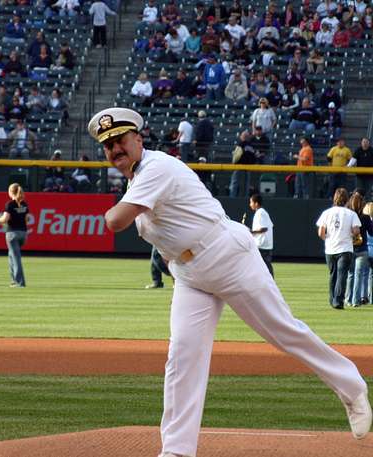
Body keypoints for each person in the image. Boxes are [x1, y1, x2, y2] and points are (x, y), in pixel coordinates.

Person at [87, 107, 371, 457]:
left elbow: (115, 221)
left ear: (139, 139)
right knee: (182, 356)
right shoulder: (138, 179)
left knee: (283, 331)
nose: (115, 148)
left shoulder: (155, 166)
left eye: (120, 140)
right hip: (190, 274)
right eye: (108, 145)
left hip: (227, 255)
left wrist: (110, 213)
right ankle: (176, 450)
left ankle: (352, 387)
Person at [317, 188, 361, 310]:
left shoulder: (326, 213)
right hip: (345, 248)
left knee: (333, 274)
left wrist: (326, 239)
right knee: (342, 275)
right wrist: (353, 235)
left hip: (330, 248)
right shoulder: (351, 214)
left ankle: (332, 299)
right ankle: (338, 300)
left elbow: (321, 232)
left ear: (335, 198)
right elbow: (356, 230)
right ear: (347, 199)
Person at [0, 183, 29, 287]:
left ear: (10, 192)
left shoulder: (10, 204)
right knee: (11, 256)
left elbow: (5, 219)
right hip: (23, 233)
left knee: (16, 257)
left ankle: (19, 282)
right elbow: (27, 220)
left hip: (12, 233)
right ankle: (14, 280)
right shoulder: (24, 204)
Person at [345, 191, 373, 307]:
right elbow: (371, 232)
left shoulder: (348, 215)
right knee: (359, 274)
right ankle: (357, 300)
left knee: (351, 274)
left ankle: (348, 299)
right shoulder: (365, 217)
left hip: (349, 248)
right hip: (362, 249)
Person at [249, 194, 274, 276]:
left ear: (256, 203)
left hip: (262, 245)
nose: (250, 204)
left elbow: (264, 228)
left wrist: (251, 232)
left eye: (251, 202)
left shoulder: (260, 213)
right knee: (264, 266)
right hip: (263, 245)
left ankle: (270, 284)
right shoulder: (262, 212)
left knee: (264, 266)